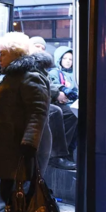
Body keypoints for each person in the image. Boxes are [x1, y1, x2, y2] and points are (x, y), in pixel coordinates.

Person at [0, 32, 54, 212]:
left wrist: (28, 145)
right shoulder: (14, 76)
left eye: (2, 54)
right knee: (13, 194)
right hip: (11, 148)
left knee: (20, 195)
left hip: (23, 149)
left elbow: (38, 112)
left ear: (15, 54)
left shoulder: (28, 77)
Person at [29, 39, 76, 170]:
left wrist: (60, 91)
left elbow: (47, 82)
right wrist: (57, 93)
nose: (40, 49)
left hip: (43, 97)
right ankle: (56, 156)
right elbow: (37, 84)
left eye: (42, 47)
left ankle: (66, 152)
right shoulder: (29, 63)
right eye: (36, 46)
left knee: (72, 113)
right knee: (56, 111)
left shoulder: (41, 66)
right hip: (31, 101)